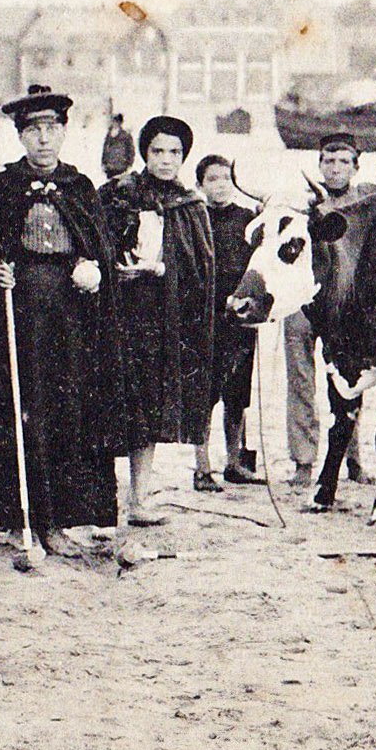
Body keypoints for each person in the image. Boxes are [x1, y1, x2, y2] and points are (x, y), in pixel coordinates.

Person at [0, 84, 123, 558]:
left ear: (65, 132)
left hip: (71, 318)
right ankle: (17, 519)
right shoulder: (1, 187)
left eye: (52, 129)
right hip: (17, 316)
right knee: (19, 410)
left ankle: (58, 521)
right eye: (33, 130)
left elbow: (98, 245)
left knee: (67, 412)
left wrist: (94, 269)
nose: (43, 139)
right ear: (21, 136)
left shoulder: (80, 187)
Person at [100, 115, 216, 517]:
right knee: (112, 403)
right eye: (157, 151)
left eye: (174, 153)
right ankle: (102, 500)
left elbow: (200, 270)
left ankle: (141, 498)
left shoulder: (190, 204)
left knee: (148, 408)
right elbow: (94, 245)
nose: (166, 160)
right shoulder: (118, 194)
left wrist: (162, 269)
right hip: (117, 317)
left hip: (161, 322)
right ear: (144, 153)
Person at [283, 132, 376, 487]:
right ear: (319, 164)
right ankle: (303, 462)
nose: (335, 168)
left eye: (343, 161)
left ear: (356, 166)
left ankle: (352, 460)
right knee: (300, 378)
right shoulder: (301, 200)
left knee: (349, 381)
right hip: (303, 300)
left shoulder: (370, 199)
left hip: (348, 304)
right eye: (328, 160)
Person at [196, 154, 265, 486]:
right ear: (200, 185)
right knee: (204, 394)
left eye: (225, 178)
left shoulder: (248, 219)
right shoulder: (195, 218)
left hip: (241, 319)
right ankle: (202, 467)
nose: (220, 184)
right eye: (212, 179)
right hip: (205, 318)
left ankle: (235, 462)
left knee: (238, 393)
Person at [101, 110, 135, 180]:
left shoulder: (125, 135)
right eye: (114, 121)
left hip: (121, 166)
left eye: (117, 121)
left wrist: (129, 163)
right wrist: (104, 163)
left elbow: (131, 150)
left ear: (120, 123)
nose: (115, 123)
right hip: (109, 167)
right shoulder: (109, 135)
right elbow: (105, 149)